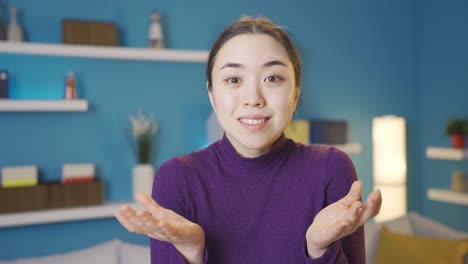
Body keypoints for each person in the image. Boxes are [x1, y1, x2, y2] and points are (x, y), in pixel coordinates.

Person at [115, 16, 382, 264]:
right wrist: (193, 252)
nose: (253, 97)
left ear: (296, 92)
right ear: (211, 93)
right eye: (233, 79)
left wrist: (318, 248)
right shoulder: (177, 178)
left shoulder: (330, 168)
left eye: (273, 78)